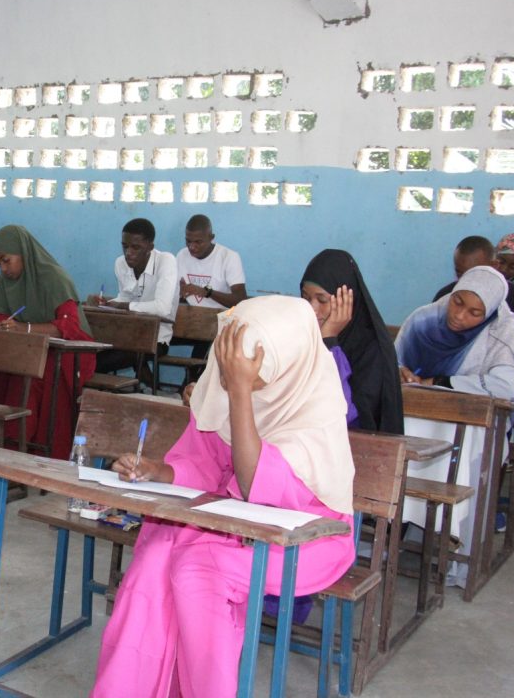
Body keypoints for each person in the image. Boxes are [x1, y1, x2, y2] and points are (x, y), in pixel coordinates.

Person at [92, 296, 355, 698]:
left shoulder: (311, 412)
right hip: (233, 519)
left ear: (286, 362)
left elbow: (256, 486)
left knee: (198, 572)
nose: (234, 374)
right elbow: (204, 464)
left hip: (306, 536)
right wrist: (158, 470)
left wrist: (240, 392)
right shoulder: (233, 385)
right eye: (232, 364)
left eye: (251, 368)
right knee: (155, 559)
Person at [397, 265, 514, 587]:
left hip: (474, 429)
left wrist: (442, 382)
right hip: (417, 418)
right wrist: (399, 371)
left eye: (474, 312)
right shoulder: (424, 318)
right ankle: (392, 531)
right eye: (457, 302)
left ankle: (454, 546)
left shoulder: (501, 335)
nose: (459, 316)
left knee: (464, 460)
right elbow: (392, 359)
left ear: (490, 311)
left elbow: (504, 387)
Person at [0, 225, 96, 472]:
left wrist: (25, 328)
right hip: (27, 349)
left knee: (30, 378)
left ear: (23, 253)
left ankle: (18, 459)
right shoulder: (9, 282)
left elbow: (68, 326)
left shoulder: (54, 277)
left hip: (69, 351)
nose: (3, 269)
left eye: (6, 261)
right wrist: (5, 325)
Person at [300, 249, 404, 433]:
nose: (312, 309)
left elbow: (348, 416)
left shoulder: (373, 351)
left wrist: (329, 341)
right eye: (306, 298)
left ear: (348, 300)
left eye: (322, 300)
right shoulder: (303, 335)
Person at [92, 218, 178, 386]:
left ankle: (143, 390)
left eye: (135, 247)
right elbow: (125, 297)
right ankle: (147, 387)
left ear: (150, 247)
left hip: (156, 337)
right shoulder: (120, 263)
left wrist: (125, 305)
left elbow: (162, 308)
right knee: (90, 356)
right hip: (127, 335)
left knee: (98, 363)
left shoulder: (166, 261)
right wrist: (107, 304)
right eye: (124, 246)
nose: (128, 252)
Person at [432, 235, 514, 351]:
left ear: (494, 266)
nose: (468, 279)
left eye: (475, 272)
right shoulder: (444, 296)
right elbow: (430, 341)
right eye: (460, 273)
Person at [174, 214, 247, 359]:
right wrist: (178, 291)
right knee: (151, 341)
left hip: (219, 324)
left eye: (198, 242)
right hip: (191, 321)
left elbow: (240, 299)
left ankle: (195, 374)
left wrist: (207, 292)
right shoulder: (181, 256)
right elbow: (177, 291)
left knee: (199, 360)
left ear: (211, 237)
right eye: (188, 241)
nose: (192, 247)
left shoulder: (228, 257)